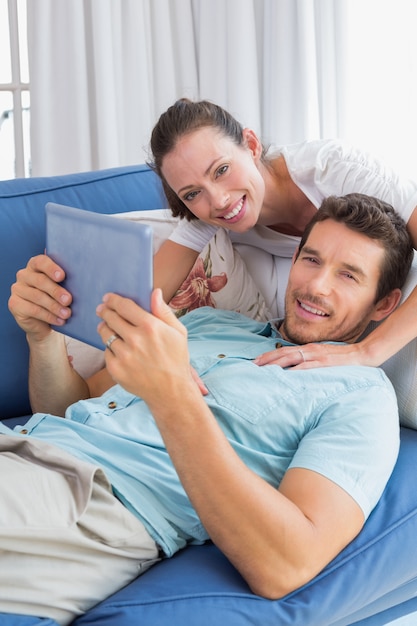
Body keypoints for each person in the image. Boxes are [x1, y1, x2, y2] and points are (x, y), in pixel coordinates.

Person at [6, 193, 413, 625]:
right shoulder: (210, 323)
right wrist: (43, 338)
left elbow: (289, 564)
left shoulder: (360, 397)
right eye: (311, 260)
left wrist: (172, 397)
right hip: (23, 450)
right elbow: (72, 406)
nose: (316, 286)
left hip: (91, 500)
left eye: (348, 276)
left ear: (384, 304)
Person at [150, 98, 417, 370]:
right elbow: (140, 303)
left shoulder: (335, 169)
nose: (218, 200)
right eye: (192, 193)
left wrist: (366, 352)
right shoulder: (210, 211)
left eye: (222, 170)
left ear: (252, 145)